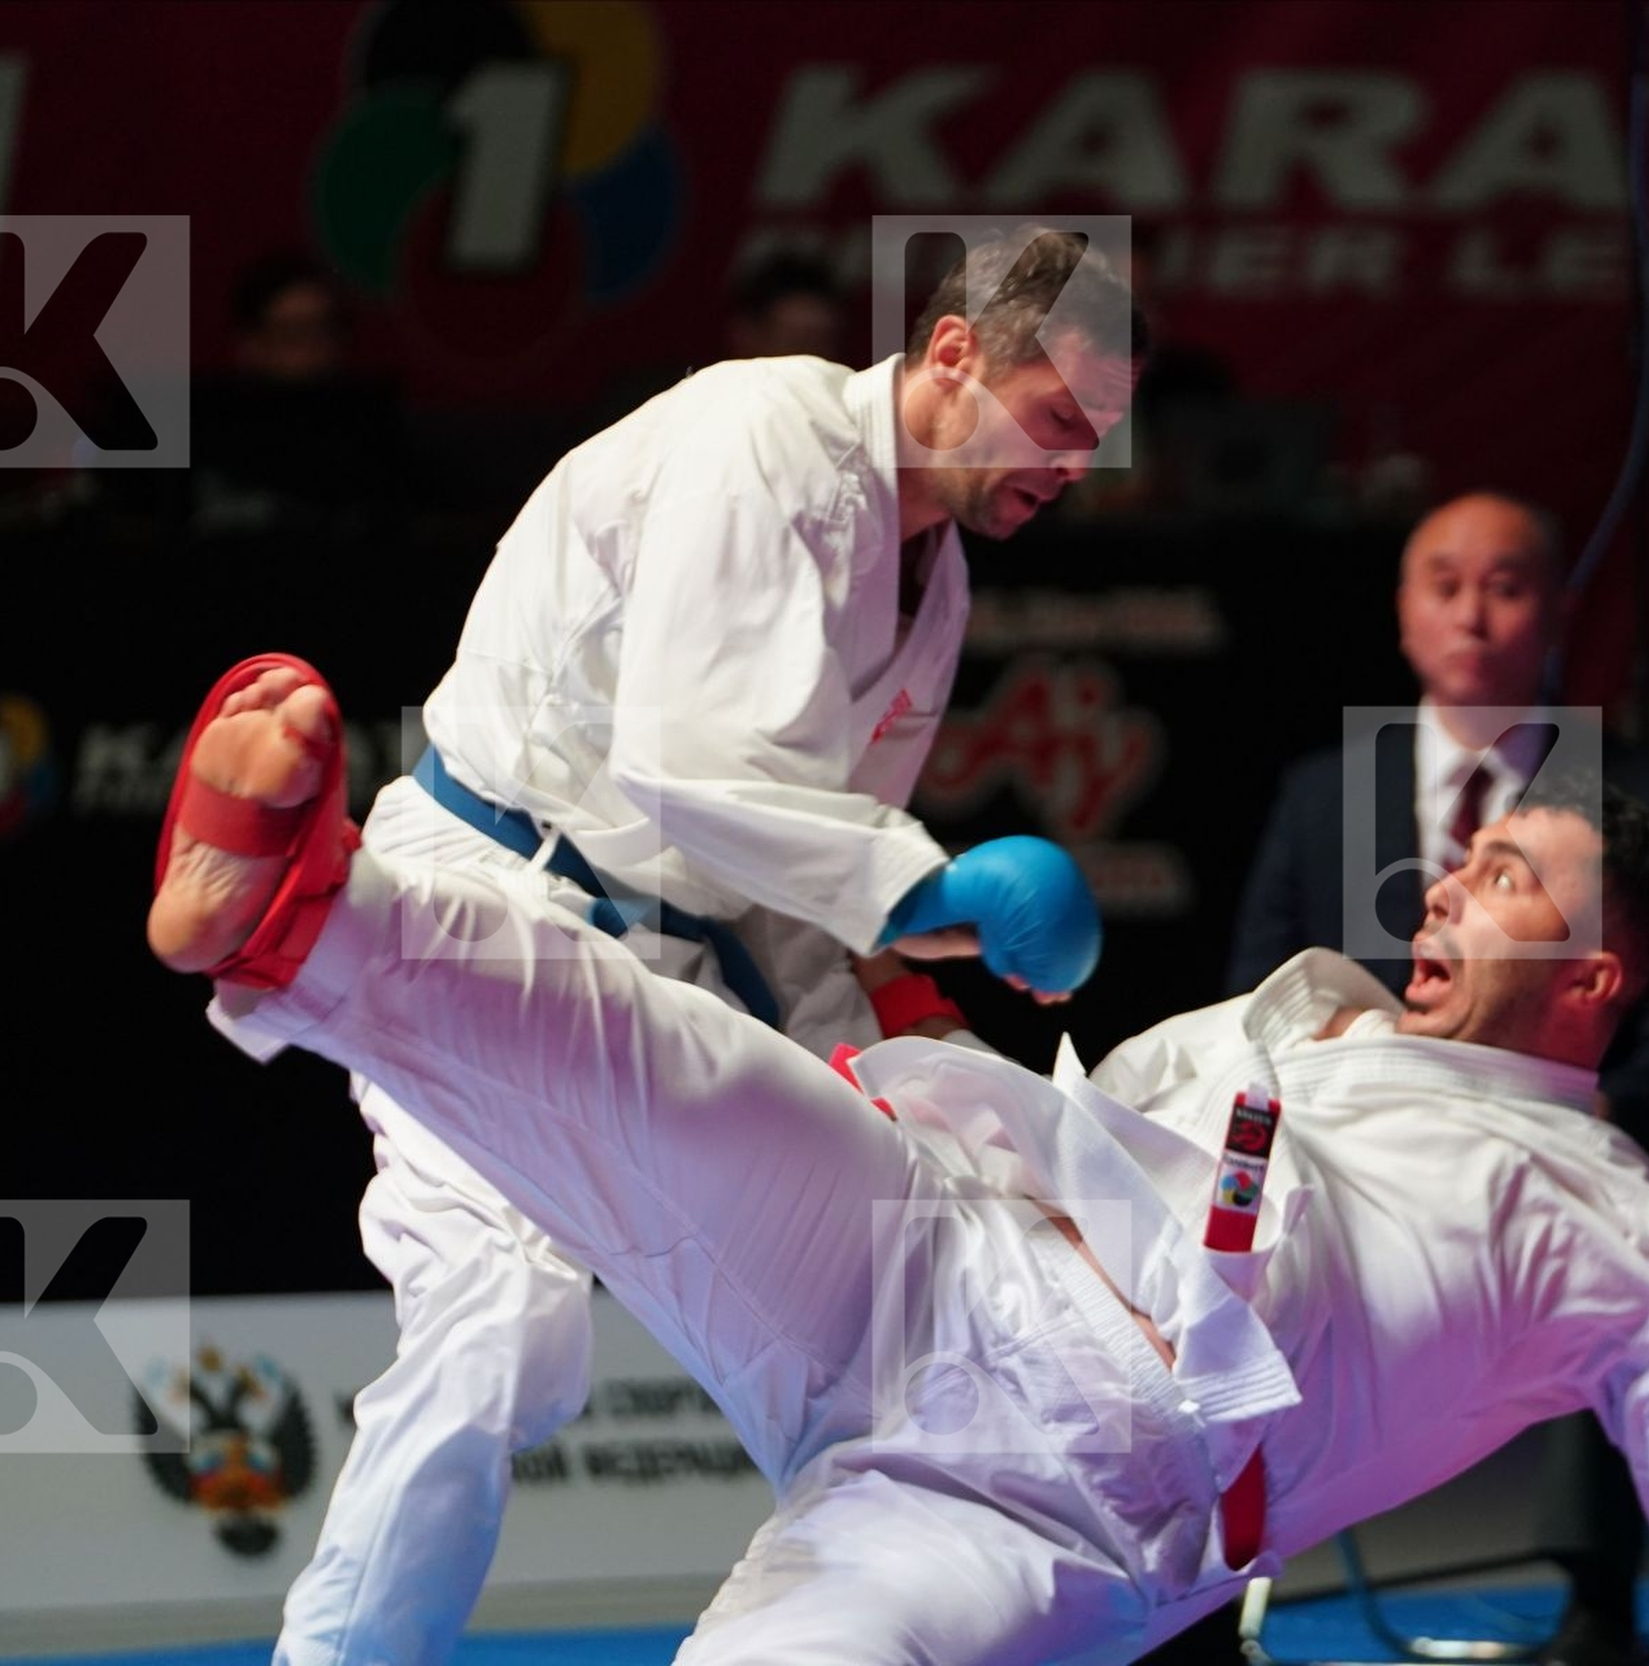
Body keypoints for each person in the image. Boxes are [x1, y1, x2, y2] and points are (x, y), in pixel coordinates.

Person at [146, 663, 1649, 1665]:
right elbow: (1092, 1119)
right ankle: (310, 916)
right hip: (937, 1249)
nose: (1447, 886)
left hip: (1076, 1499)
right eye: (1467, 859)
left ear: (1597, 979)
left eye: (1510, 880)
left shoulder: (1611, 1224)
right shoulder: (1290, 1027)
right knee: (652, 1057)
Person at [252, 228, 1147, 1666]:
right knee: (502, 1338)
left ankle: (888, 1609)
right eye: (1058, 419)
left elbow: (793, 879)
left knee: (892, 1271)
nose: (1073, 464)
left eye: (1096, 439)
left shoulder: (939, 586)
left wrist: (922, 1045)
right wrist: (933, 890)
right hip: (498, 893)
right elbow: (689, 771)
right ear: (957, 353)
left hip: (672, 956)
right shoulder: (765, 434)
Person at [1225, 490, 1649, 1665]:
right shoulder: (1323, 793)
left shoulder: (1644, 802)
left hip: (1558, 1152)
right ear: (1403, 612)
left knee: (1616, 1231)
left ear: (1556, 610)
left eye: (1504, 584)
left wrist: (1591, 1129)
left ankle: (1593, 1597)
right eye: (1442, 583)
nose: (1471, 611)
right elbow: (1256, 998)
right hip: (1353, 1165)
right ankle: (1208, 1586)